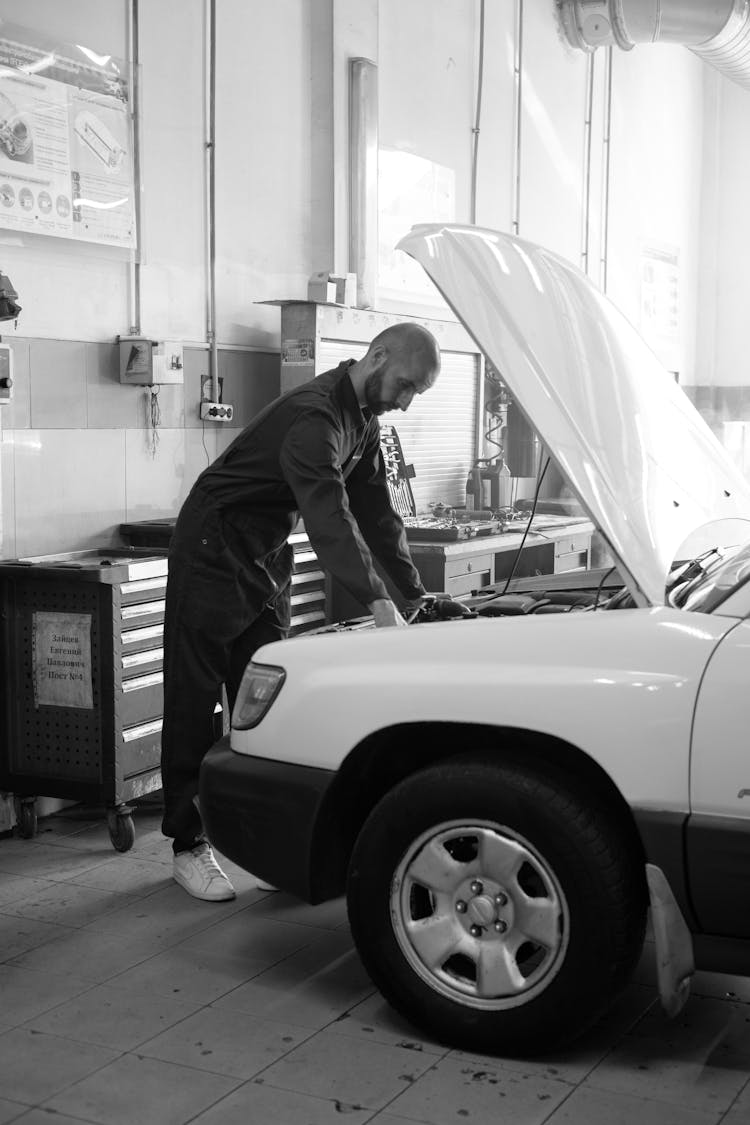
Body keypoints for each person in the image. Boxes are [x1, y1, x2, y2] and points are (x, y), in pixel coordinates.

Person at [161, 321, 441, 900]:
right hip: (214, 546)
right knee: (195, 696)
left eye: (417, 393)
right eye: (406, 385)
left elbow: (377, 516)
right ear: (378, 356)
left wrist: (414, 597)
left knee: (264, 700)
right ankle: (187, 845)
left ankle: (259, 845)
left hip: (264, 553)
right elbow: (329, 517)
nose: (407, 402)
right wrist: (377, 600)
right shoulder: (315, 418)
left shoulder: (362, 422)